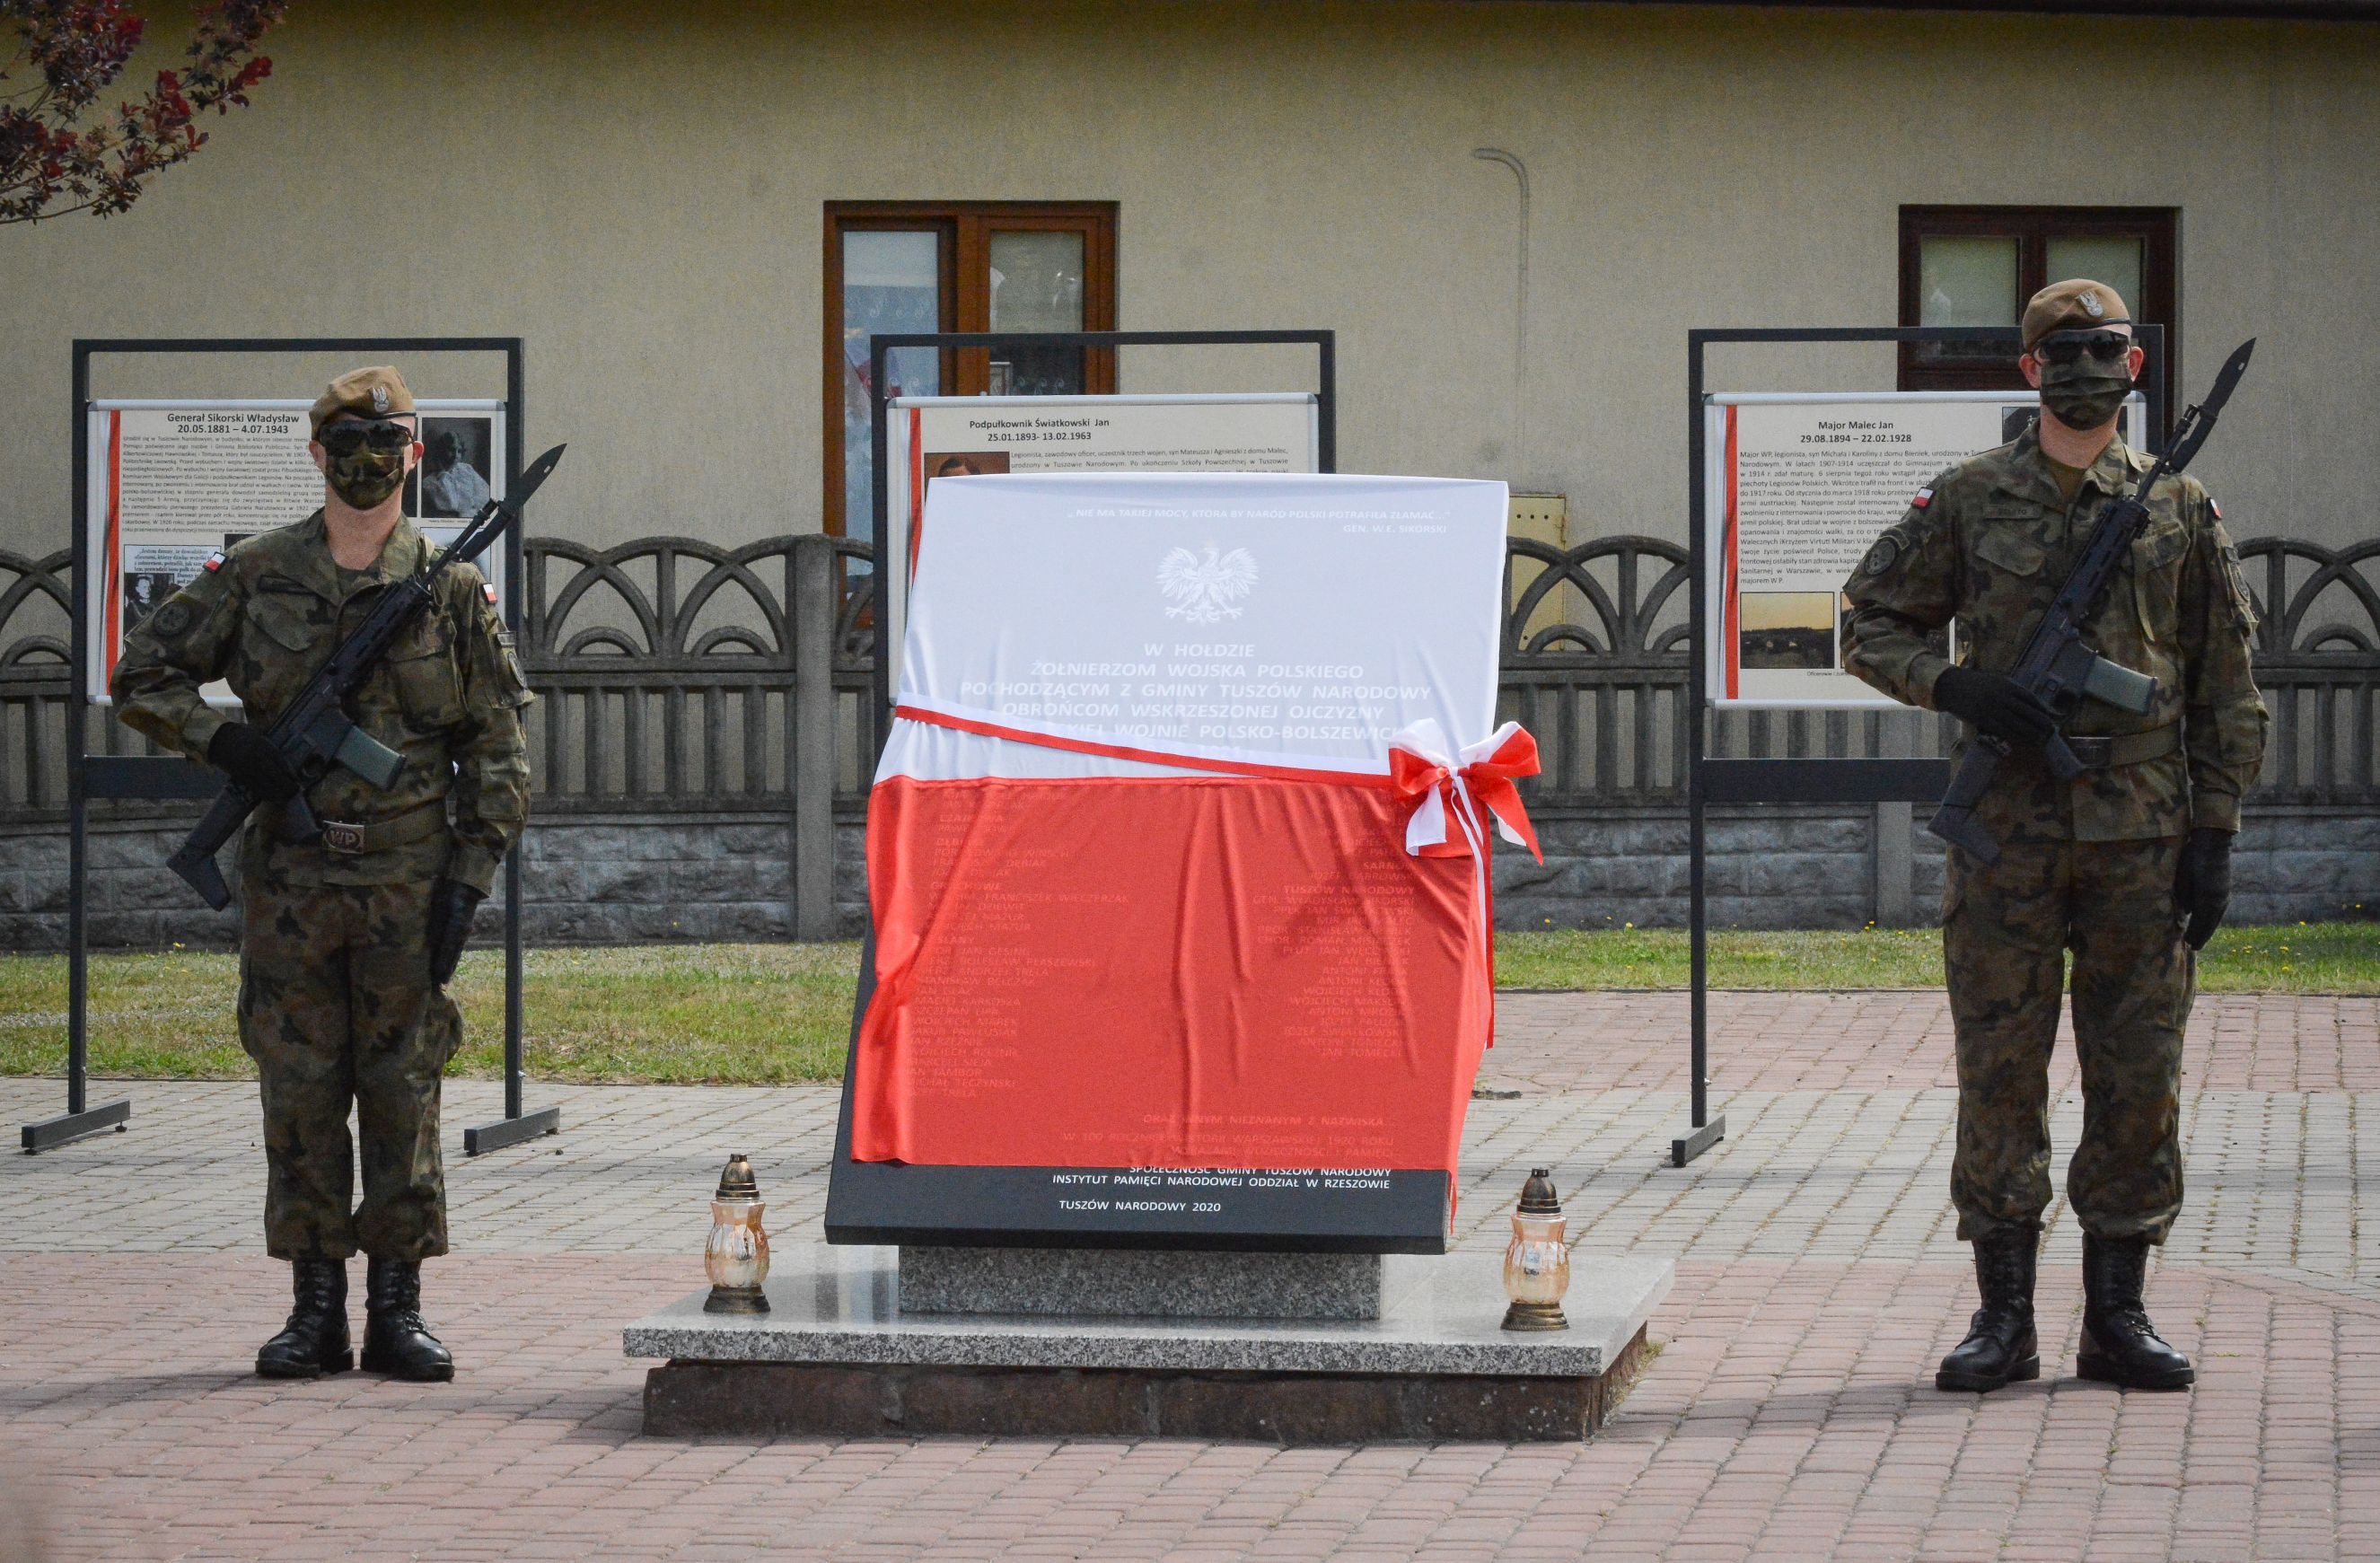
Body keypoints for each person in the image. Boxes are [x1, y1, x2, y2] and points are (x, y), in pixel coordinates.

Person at [1841, 281, 2267, 1394]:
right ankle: (2003, 1321)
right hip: (2005, 839)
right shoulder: (1974, 498)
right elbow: (1864, 620)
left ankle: (2115, 1318)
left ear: (2133, 368)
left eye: (2105, 348)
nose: (2084, 365)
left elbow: (2225, 684)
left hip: (2142, 839)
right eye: (2061, 349)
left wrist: (2213, 832)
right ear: (2028, 370)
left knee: (2139, 1078)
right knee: (1999, 1075)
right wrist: (1960, 686)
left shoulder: (2177, 508)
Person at [110, 366, 533, 1383]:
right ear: (315, 455)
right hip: (292, 884)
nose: (364, 464)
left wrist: (467, 881)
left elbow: (500, 748)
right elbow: (140, 676)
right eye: (344, 445)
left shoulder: (451, 588)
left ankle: (397, 1307)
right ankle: (313, 1309)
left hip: (407, 879)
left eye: (383, 445)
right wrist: (226, 745)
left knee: (403, 1089)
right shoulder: (257, 575)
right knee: (299, 1089)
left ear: (412, 454)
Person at [420, 427, 491, 518]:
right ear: (441, 450)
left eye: (459, 451)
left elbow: (485, 497)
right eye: (451, 450)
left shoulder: (467, 469)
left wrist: (471, 510)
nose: (456, 455)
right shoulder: (429, 482)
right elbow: (451, 506)